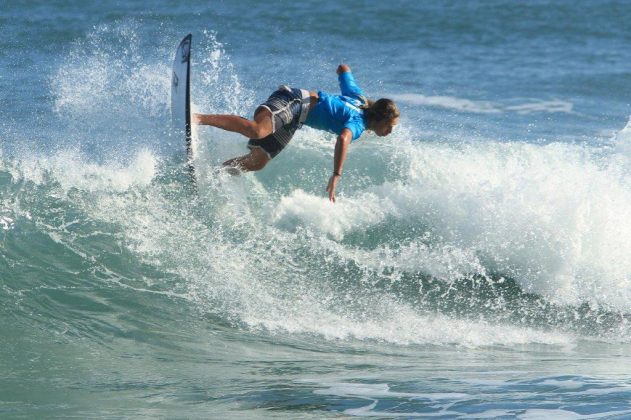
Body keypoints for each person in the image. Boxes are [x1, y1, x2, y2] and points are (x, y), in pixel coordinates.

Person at [193, 64, 399, 202]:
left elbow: (343, 69)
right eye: (388, 126)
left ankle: (214, 173)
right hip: (295, 101)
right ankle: (197, 118)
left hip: (296, 119)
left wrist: (343, 71)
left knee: (258, 161)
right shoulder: (358, 122)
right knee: (258, 130)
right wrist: (336, 174)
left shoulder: (359, 99)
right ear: (379, 118)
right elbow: (344, 138)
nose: (389, 131)